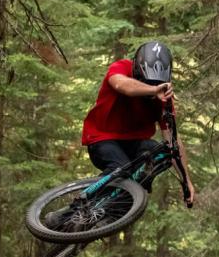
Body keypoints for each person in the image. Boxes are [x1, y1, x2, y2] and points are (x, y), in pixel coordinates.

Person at [80, 41, 195, 201]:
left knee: (161, 154)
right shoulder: (122, 67)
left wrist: (186, 180)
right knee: (121, 168)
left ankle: (119, 208)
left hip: (134, 144)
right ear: (137, 69)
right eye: (148, 82)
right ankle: (82, 204)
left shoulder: (163, 98)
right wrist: (153, 90)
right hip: (102, 139)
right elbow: (121, 84)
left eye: (156, 84)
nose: (154, 91)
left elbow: (173, 141)